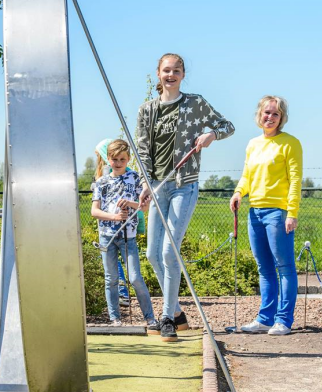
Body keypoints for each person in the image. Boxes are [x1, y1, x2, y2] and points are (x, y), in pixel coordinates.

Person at [137, 53, 235, 342]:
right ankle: (178, 313)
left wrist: (211, 136)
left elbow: (228, 126)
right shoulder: (147, 110)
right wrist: (145, 183)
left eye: (176, 70)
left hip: (184, 185)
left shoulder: (195, 104)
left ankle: (166, 317)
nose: (171, 75)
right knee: (152, 254)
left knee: (170, 251)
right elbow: (142, 149)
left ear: (182, 74)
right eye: (166, 70)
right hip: (157, 186)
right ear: (158, 73)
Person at [230, 95, 303, 336]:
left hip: (278, 213)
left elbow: (295, 181)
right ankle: (264, 318)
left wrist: (291, 213)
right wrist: (239, 193)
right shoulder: (253, 144)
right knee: (264, 268)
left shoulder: (290, 143)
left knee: (284, 267)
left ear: (282, 118)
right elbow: (247, 176)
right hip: (255, 212)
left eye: (275, 114)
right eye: (266, 113)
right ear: (259, 115)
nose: (270, 117)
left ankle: (283, 320)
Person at [91, 139, 157, 328]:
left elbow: (144, 208)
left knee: (135, 277)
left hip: (128, 236)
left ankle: (150, 317)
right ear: (108, 160)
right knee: (111, 278)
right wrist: (114, 217)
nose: (118, 163)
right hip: (107, 236)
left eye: (122, 159)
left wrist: (130, 204)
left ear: (128, 159)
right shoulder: (101, 182)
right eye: (114, 159)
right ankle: (115, 318)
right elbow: (94, 211)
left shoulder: (135, 178)